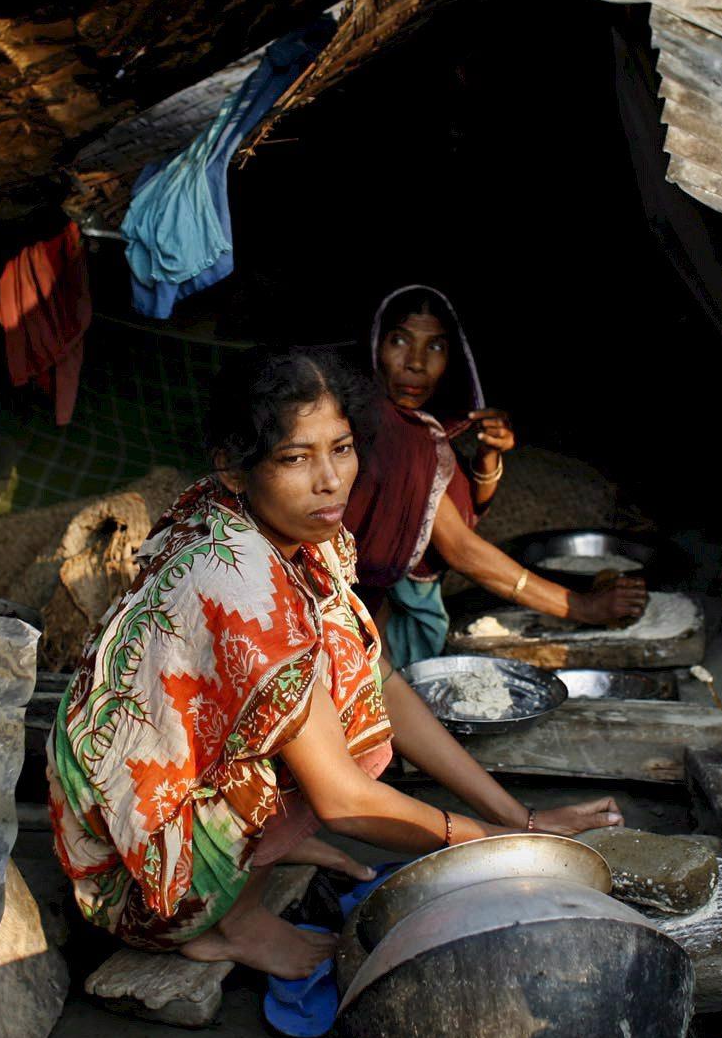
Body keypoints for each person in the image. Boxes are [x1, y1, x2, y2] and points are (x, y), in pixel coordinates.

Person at [46, 348, 624, 977]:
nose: (330, 480)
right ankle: (228, 925)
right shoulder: (239, 580)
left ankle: (256, 854)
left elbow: (380, 682)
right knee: (294, 738)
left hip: (142, 795)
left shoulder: (296, 534)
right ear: (235, 468)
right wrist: (509, 851)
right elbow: (345, 802)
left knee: (339, 667)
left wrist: (519, 817)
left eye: (341, 448)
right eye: (296, 457)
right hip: (126, 874)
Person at [345, 285, 647, 666]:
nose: (416, 363)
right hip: (361, 625)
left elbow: (449, 512)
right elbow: (460, 548)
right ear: (374, 346)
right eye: (399, 341)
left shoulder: (418, 427)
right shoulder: (390, 431)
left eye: (435, 346)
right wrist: (581, 606)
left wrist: (487, 458)